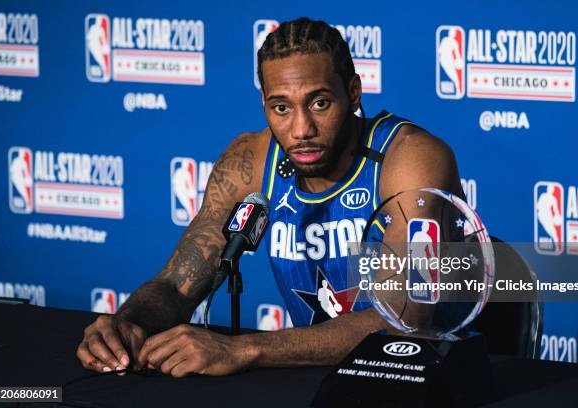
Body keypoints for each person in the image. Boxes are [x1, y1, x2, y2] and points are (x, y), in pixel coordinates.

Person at [76, 17, 464, 377]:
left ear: (353, 91)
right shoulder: (252, 161)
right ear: (264, 104)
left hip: (429, 381)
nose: (301, 129)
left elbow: (403, 317)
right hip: (315, 381)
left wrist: (243, 350)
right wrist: (128, 324)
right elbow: (179, 283)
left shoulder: (409, 158)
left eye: (320, 103)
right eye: (281, 107)